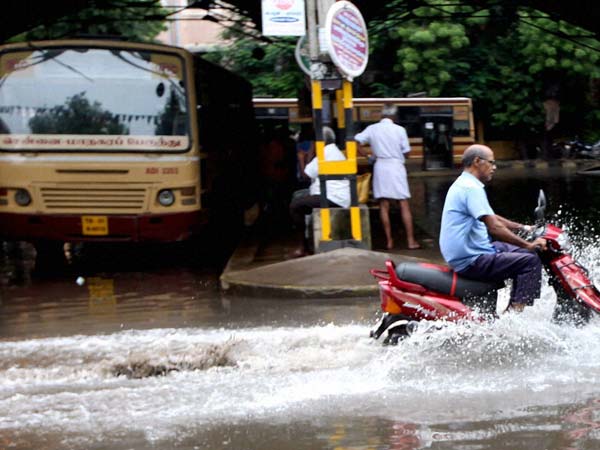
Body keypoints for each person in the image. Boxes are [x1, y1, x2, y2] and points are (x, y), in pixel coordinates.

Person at [439, 144, 547, 312]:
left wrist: (525, 228)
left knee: (526, 253)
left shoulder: (465, 183)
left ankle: (514, 303)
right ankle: (514, 316)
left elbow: (492, 216)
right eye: (491, 162)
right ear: (477, 161)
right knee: (530, 261)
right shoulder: (470, 188)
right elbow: (494, 227)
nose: (494, 167)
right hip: (472, 260)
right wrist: (527, 244)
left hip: (474, 252)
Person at [355, 104, 419, 250]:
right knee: (403, 203)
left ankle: (389, 241)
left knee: (384, 205)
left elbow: (356, 141)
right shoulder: (400, 130)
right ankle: (411, 241)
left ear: (382, 115)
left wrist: (368, 156)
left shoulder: (372, 129)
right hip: (396, 166)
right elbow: (407, 152)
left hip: (380, 166)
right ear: (394, 116)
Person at [289, 126, 350, 256]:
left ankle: (303, 246)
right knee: (300, 198)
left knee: (295, 205)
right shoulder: (336, 152)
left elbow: (305, 175)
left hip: (331, 197)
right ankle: (307, 240)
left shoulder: (324, 154)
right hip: (340, 196)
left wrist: (301, 158)